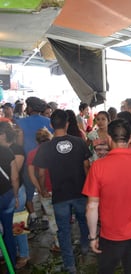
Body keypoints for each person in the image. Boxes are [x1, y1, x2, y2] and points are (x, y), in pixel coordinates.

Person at [82, 119, 131, 274]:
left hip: (110, 236)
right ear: (130, 139)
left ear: (108, 138)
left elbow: (92, 206)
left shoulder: (98, 167)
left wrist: (93, 237)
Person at [32, 109, 91, 274]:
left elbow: (41, 173)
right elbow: (87, 166)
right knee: (83, 220)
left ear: (51, 125)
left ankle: (70, 265)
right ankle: (85, 247)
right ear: (67, 123)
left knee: (63, 230)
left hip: (60, 195)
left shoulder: (45, 147)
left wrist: (43, 189)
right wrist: (90, 187)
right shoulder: (79, 142)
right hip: (80, 191)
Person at [15, 96, 52, 230]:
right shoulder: (48, 121)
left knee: (29, 190)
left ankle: (33, 216)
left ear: (29, 108)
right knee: (45, 187)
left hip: (27, 161)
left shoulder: (20, 122)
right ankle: (46, 216)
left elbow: (18, 143)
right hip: (46, 161)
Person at [0, 122, 30, 269]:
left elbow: (15, 174)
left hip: (16, 191)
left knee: (18, 226)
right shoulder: (8, 150)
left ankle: (23, 254)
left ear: (4, 135)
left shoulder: (15, 149)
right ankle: (11, 254)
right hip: (11, 192)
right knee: (10, 228)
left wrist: (16, 195)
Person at [27, 128, 60, 253]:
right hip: (59, 188)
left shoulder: (32, 154)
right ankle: (65, 240)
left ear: (37, 141)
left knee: (52, 217)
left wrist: (40, 189)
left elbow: (32, 175)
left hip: (45, 190)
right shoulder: (56, 150)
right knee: (63, 215)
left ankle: (58, 243)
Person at [0, 144, 19, 269]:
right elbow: (15, 177)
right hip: (6, 196)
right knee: (8, 231)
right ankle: (11, 262)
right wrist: (16, 196)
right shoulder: (5, 150)